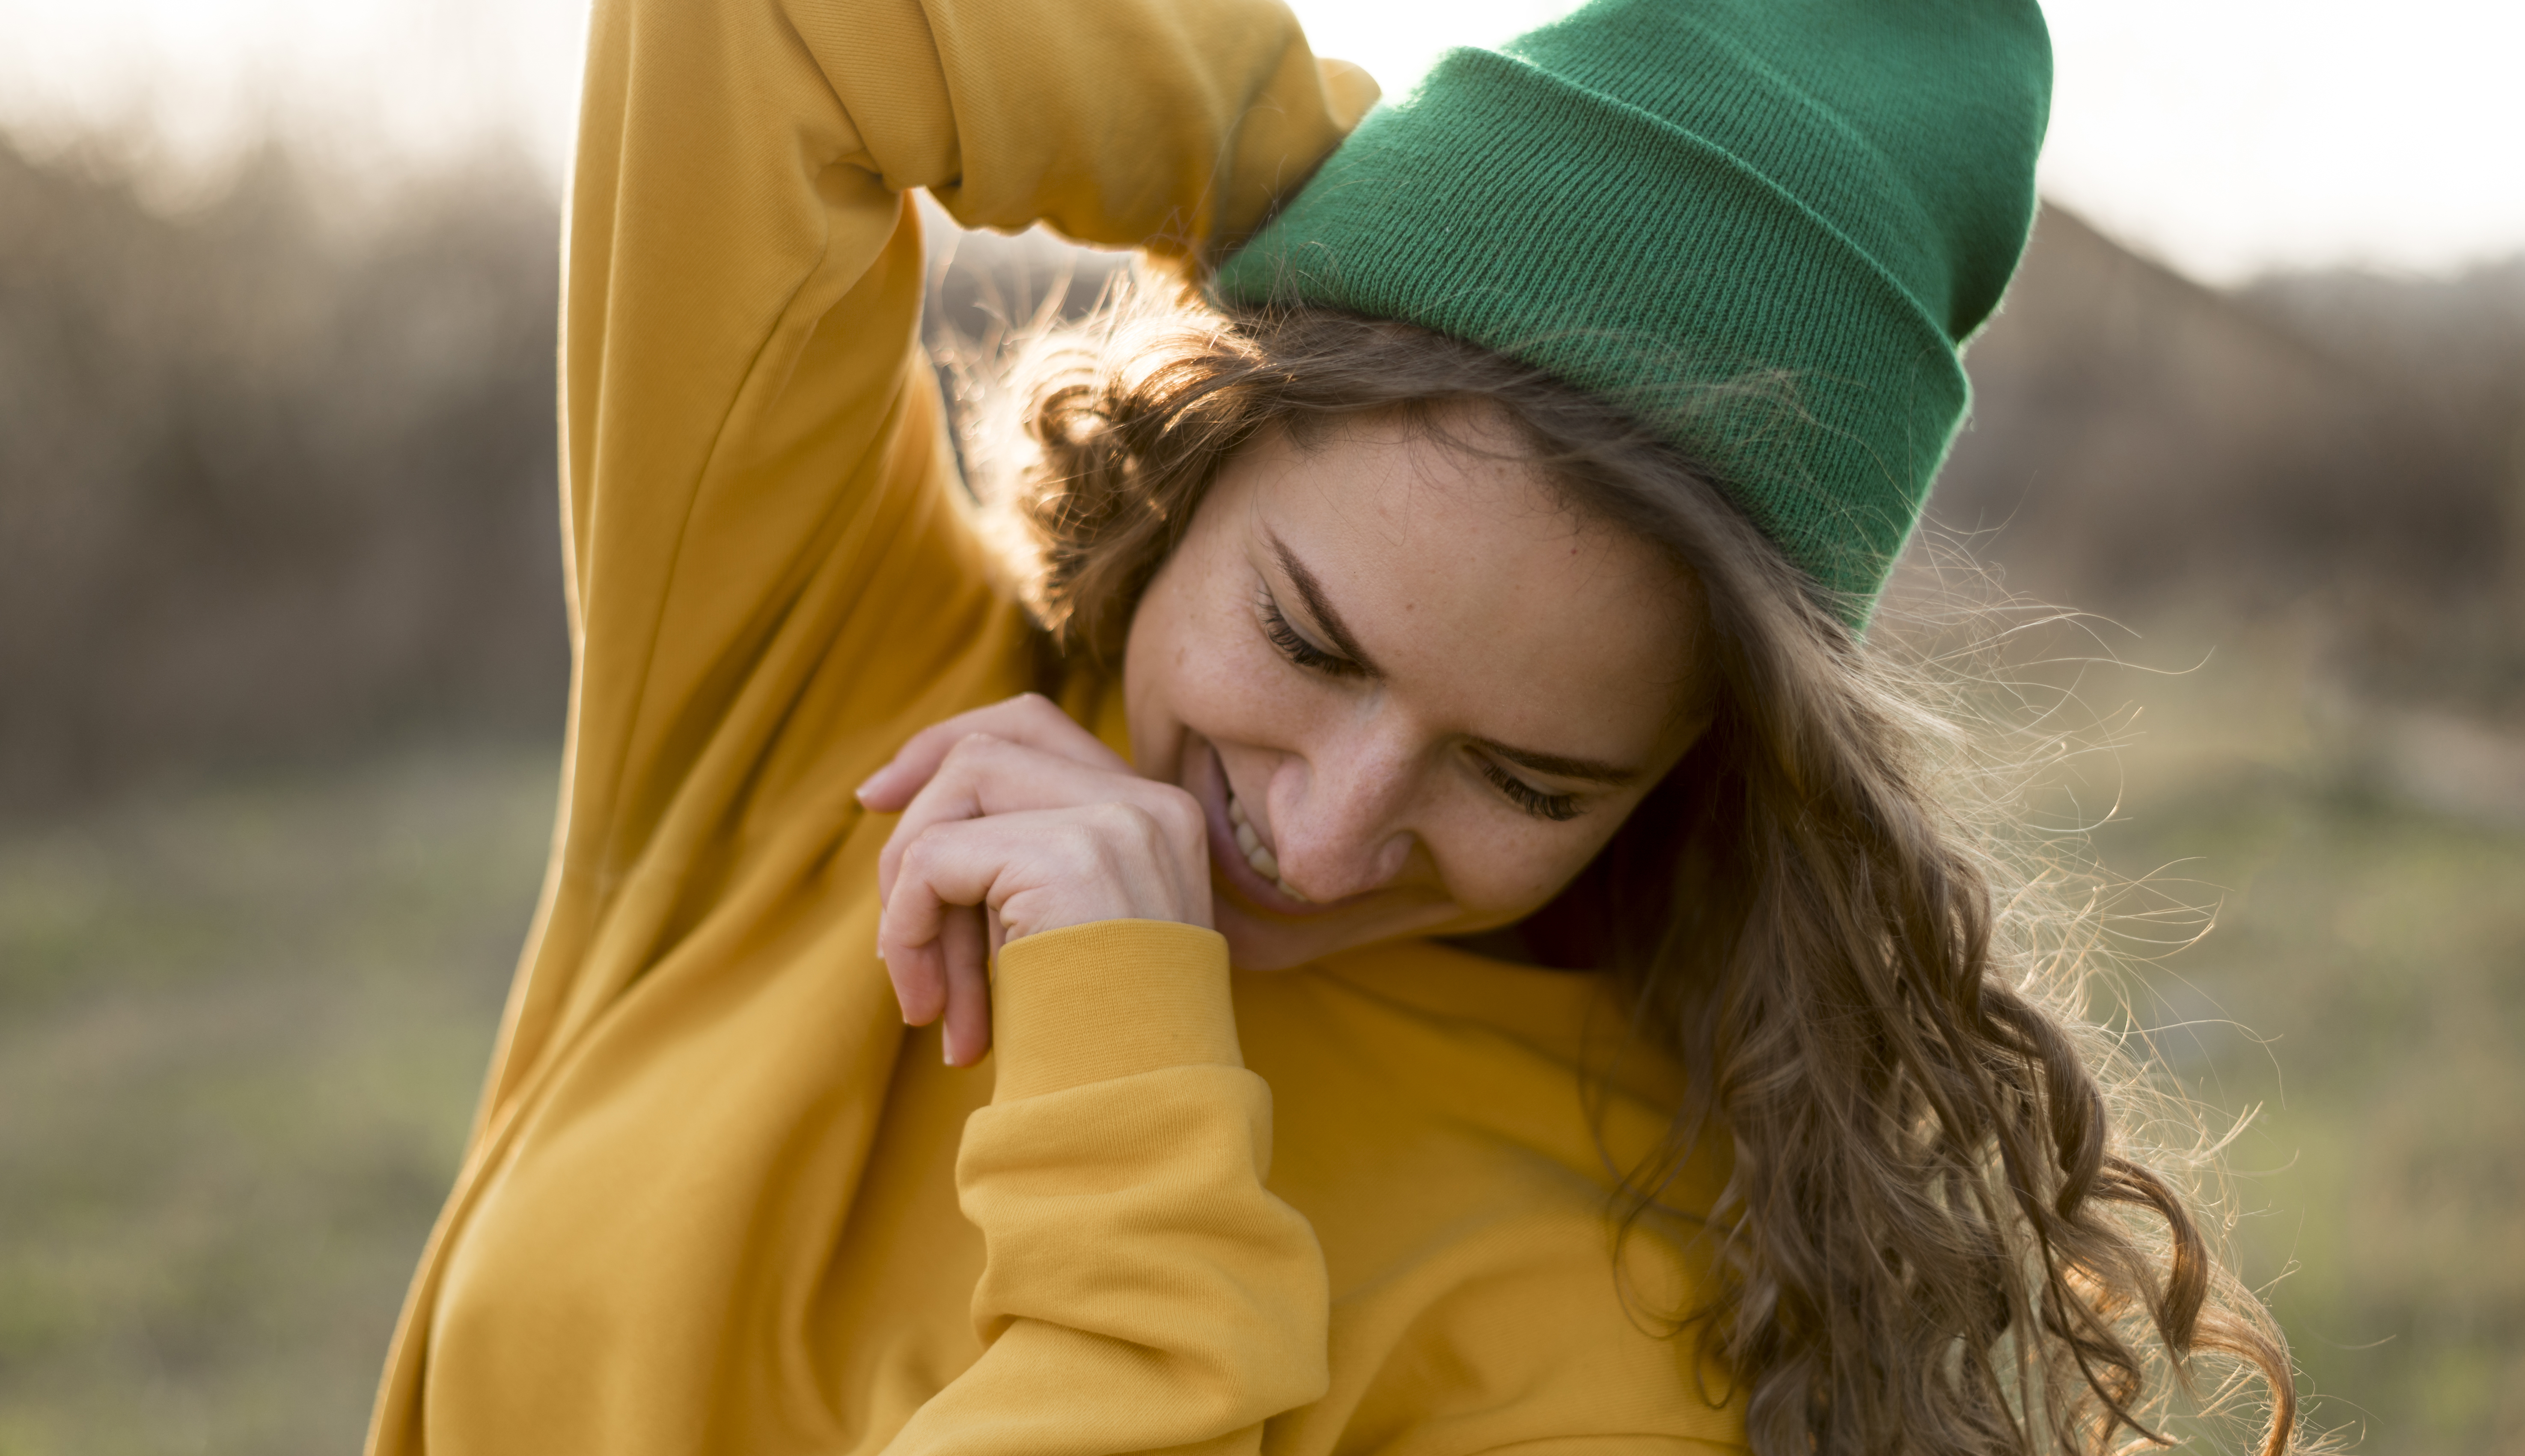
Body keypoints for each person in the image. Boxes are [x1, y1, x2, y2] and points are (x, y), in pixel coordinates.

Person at [366, 0, 2305, 1452]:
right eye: (1307, 636)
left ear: (1693, 782)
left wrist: (1136, 1142)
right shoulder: (822, 696)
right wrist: (1314, 195)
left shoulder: (1621, 1317)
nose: (1324, 828)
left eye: (1525, 777)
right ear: (1192, 453)